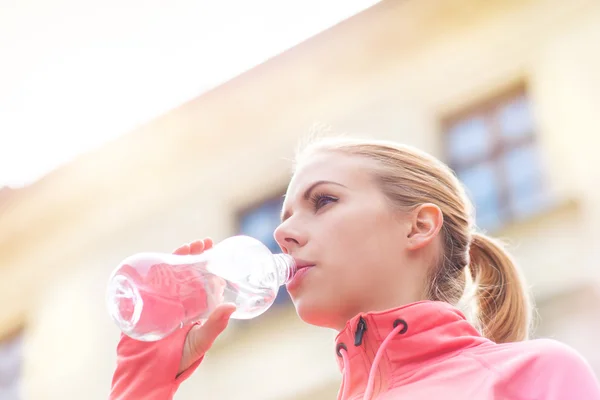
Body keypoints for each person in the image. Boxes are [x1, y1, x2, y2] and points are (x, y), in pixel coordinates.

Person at [110, 137, 600, 399]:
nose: (282, 235)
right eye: (282, 218)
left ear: (418, 226)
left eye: (323, 201)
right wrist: (143, 388)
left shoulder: (529, 375)